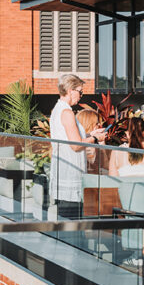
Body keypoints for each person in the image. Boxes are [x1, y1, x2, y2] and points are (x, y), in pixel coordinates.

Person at [49, 75, 106, 220]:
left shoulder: (57, 109)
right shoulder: (67, 112)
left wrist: (89, 134)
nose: (81, 96)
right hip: (70, 174)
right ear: (70, 90)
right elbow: (75, 145)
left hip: (62, 171)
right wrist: (95, 138)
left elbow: (70, 137)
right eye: (80, 92)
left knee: (66, 220)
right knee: (72, 223)